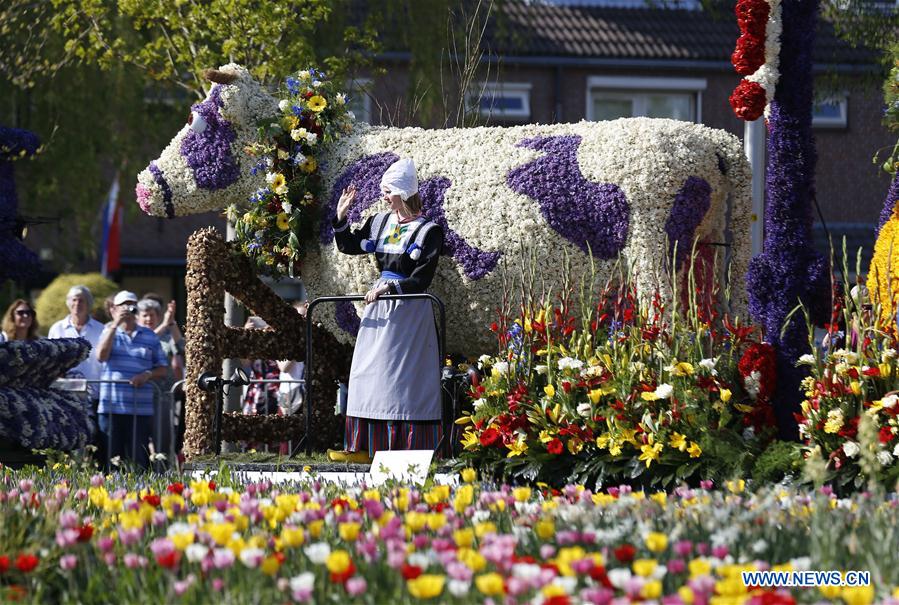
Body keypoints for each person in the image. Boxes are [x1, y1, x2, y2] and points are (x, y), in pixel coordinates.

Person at [328, 157, 444, 463]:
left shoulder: (428, 231)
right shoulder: (379, 222)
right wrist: (341, 218)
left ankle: (404, 448)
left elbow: (421, 278)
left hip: (408, 309)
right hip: (378, 306)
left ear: (403, 193)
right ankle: (361, 445)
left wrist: (389, 289)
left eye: (388, 191)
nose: (383, 196)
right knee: (366, 373)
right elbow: (349, 245)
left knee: (400, 377)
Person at [95, 291, 168, 468]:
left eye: (131, 304)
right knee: (111, 460)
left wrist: (147, 374)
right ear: (114, 309)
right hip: (111, 408)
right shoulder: (108, 331)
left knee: (138, 461)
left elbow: (163, 368)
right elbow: (101, 356)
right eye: (123, 305)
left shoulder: (149, 335)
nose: (128, 309)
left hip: (140, 410)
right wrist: (115, 324)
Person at [47, 286, 107, 460]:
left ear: (88, 304)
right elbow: (49, 359)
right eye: (74, 299)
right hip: (65, 395)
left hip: (94, 394)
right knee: (67, 443)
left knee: (95, 444)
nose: (77, 304)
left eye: (81, 300)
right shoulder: (57, 328)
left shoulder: (101, 329)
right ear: (68, 303)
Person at [276, 301, 307, 416]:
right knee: (285, 423)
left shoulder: (312, 337)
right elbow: (283, 367)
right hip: (288, 393)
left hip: (306, 392)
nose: (302, 321)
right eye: (300, 317)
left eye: (305, 317)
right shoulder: (283, 340)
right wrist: (299, 345)